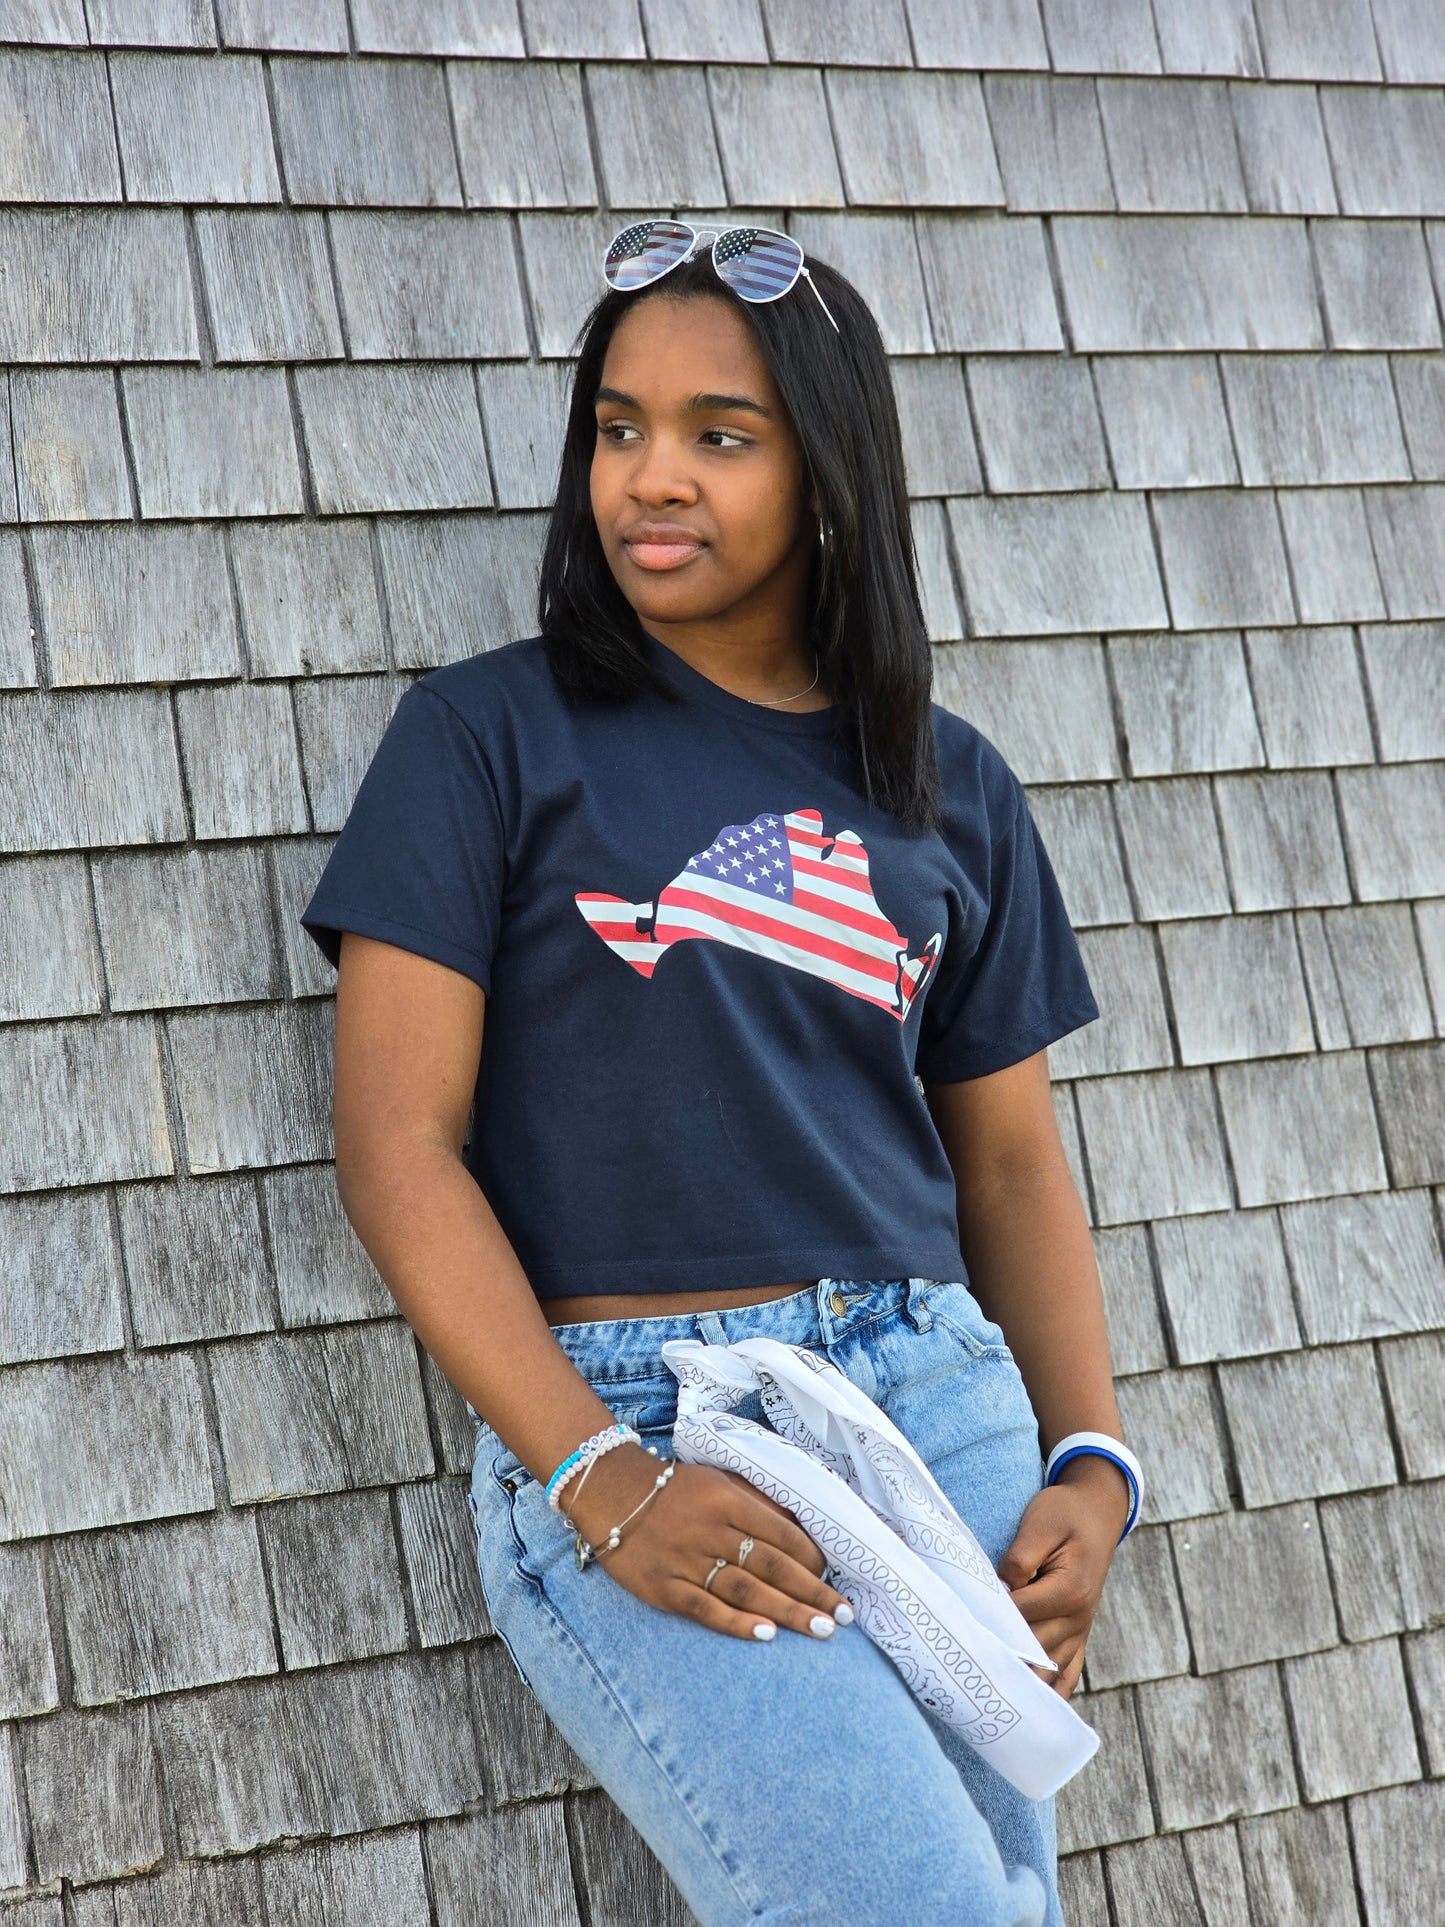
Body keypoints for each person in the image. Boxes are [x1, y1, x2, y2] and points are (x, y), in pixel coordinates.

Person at [299, 220, 1137, 1927]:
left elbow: (1011, 1173)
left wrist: (1091, 1462)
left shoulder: (947, 786)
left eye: (716, 435)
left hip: (942, 1410)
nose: (648, 480)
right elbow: (397, 1152)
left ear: (826, 476)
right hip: (643, 1415)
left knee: (1006, 1906)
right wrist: (602, 1474)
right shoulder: (483, 739)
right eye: (617, 428)